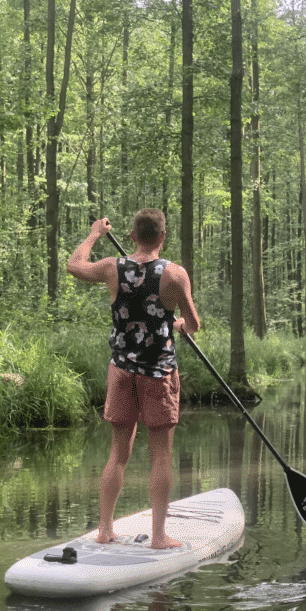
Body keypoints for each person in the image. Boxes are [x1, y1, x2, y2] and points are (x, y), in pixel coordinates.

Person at [67, 210, 201, 549]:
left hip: (122, 371)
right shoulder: (175, 274)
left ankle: (104, 530)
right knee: (160, 456)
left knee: (118, 453)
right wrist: (179, 327)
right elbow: (193, 323)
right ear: (162, 238)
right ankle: (158, 537)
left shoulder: (114, 267)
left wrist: (95, 233)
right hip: (159, 374)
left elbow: (74, 265)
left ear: (132, 236)